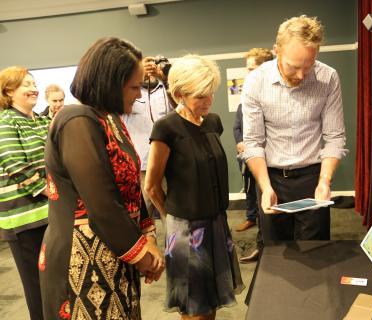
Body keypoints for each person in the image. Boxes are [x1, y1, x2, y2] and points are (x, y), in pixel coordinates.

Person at [39, 37, 164, 319]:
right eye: (134, 87)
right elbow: (101, 203)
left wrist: (149, 236)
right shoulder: (77, 120)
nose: (138, 94)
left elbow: (131, 184)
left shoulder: (110, 120)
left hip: (113, 252)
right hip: (83, 259)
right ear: (110, 83)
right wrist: (141, 254)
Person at [145, 54, 244, 320]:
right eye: (200, 96)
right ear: (178, 94)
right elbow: (152, 186)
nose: (208, 101)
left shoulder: (213, 122)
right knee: (193, 307)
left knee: (211, 300)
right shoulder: (166, 128)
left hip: (217, 223)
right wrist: (173, 219)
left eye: (210, 94)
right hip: (188, 230)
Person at [242, 15, 348, 244]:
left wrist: (325, 181)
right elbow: (253, 142)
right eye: (294, 66)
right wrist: (265, 186)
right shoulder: (255, 81)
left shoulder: (328, 77)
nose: (301, 75)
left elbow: (335, 137)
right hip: (271, 179)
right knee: (275, 254)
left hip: (313, 178)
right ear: (276, 50)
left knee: (316, 251)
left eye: (308, 66)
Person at [0, 66, 51, 320]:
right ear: (9, 91)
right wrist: (49, 189)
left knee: (55, 282)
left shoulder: (42, 120)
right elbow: (15, 164)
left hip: (50, 213)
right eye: (26, 85)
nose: (34, 89)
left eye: (34, 83)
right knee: (37, 286)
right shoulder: (5, 121)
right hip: (23, 220)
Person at [233, 48, 274, 264]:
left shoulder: (275, 95)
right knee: (259, 204)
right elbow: (237, 125)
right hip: (252, 159)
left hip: (274, 165)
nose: (248, 73)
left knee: (272, 212)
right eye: (247, 69)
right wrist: (241, 142)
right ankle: (262, 249)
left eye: (252, 68)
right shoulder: (247, 94)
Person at [122, 55, 174, 220]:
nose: (152, 68)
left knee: (171, 212)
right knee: (144, 216)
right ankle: (150, 246)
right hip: (141, 164)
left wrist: (166, 79)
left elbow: (181, 107)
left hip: (168, 161)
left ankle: (174, 245)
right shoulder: (129, 91)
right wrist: (136, 74)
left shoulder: (167, 90)